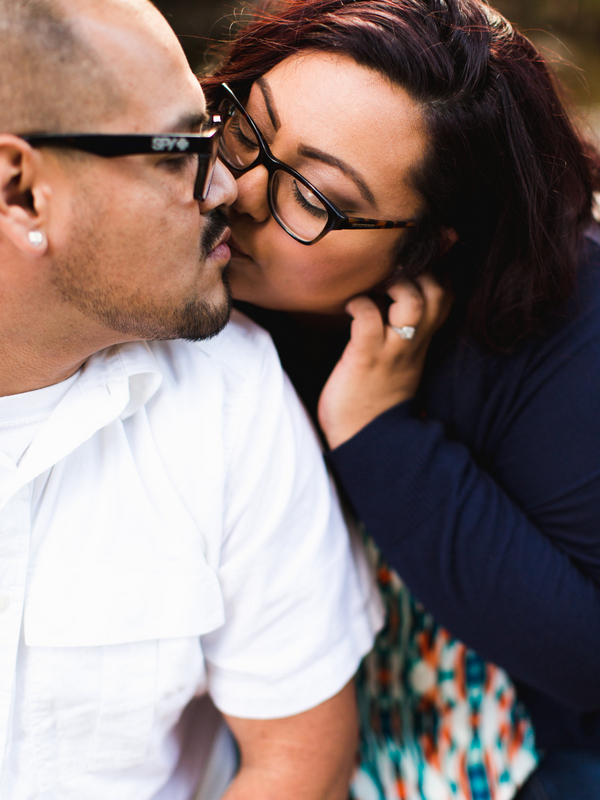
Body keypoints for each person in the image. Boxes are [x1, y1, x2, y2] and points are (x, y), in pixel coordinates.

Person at [203, 0, 600, 797]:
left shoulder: (569, 329)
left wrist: (379, 433)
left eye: (312, 196)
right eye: (247, 126)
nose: (235, 190)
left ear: (429, 243)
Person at [0, 1, 385, 798]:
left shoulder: (230, 392)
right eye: (183, 150)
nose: (228, 186)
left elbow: (297, 759)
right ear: (22, 192)